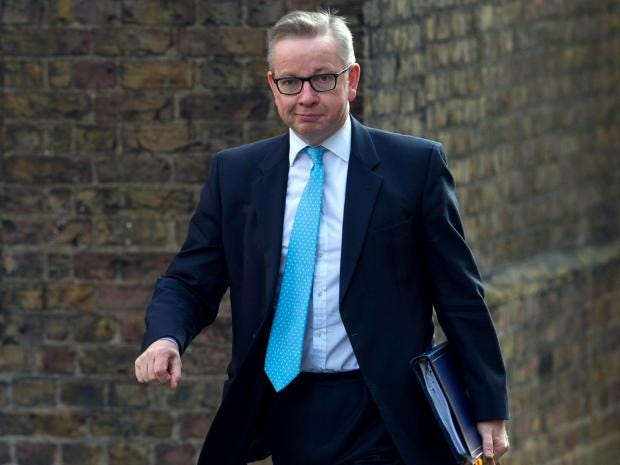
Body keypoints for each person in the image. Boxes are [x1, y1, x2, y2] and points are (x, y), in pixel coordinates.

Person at [134, 10, 509, 465]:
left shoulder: (414, 167)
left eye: (323, 79)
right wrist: (165, 338)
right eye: (291, 82)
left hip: (383, 411)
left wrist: (488, 405)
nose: (306, 97)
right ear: (273, 85)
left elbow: (459, 294)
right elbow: (190, 280)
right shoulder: (237, 174)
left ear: (351, 80)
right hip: (285, 406)